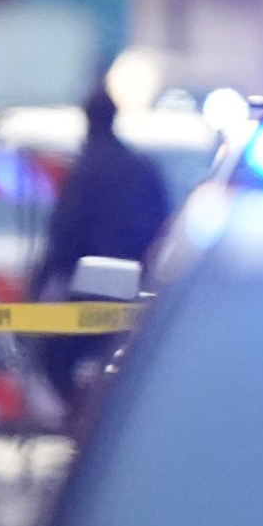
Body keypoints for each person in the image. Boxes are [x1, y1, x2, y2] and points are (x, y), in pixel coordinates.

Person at [30, 85, 172, 404]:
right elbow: (165, 224)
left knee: (56, 356)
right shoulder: (142, 167)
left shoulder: (86, 170)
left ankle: (84, 418)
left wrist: (43, 282)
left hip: (92, 283)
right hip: (140, 284)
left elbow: (66, 233)